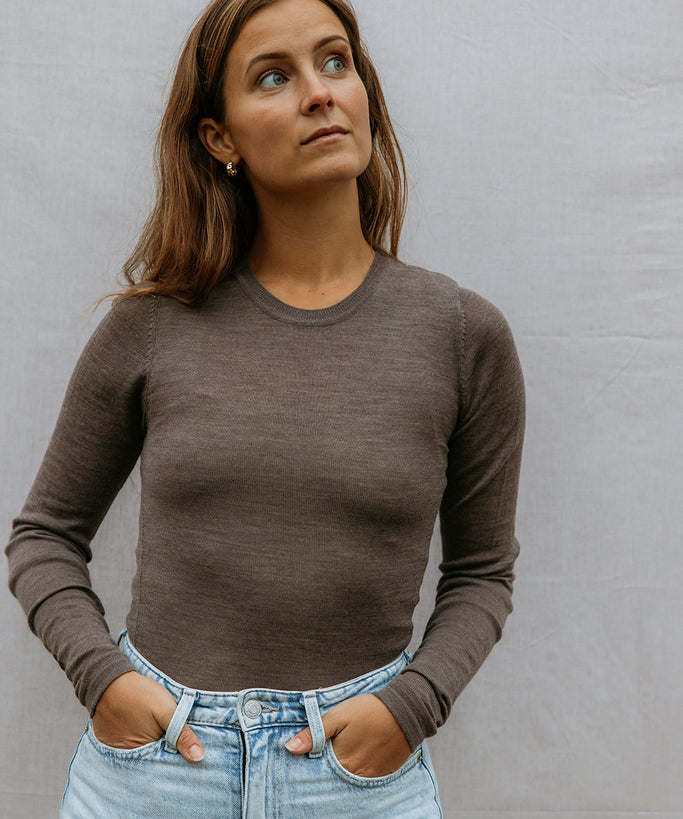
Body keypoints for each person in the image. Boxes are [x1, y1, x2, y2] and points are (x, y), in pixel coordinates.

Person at [5, 0, 525, 815]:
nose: (320, 93)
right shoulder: (153, 326)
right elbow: (44, 537)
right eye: (274, 77)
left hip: (356, 778)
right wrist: (104, 680)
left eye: (335, 61)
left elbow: (481, 572)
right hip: (155, 771)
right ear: (220, 138)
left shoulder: (460, 335)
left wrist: (412, 706)